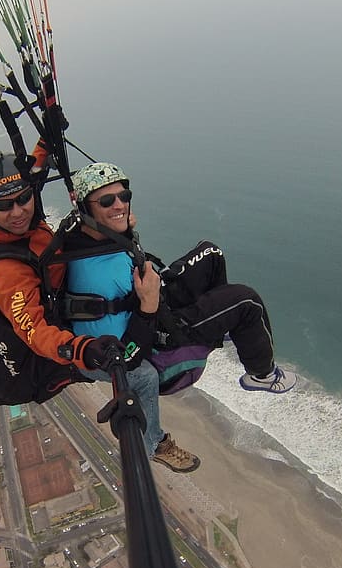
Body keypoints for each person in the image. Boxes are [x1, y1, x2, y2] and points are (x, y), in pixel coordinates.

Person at [63, 162, 297, 470]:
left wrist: (126, 230)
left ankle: (219, 324)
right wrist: (147, 303)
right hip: (156, 329)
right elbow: (132, 359)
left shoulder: (84, 234)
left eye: (123, 196)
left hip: (151, 296)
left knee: (210, 253)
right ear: (85, 207)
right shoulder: (102, 276)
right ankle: (262, 374)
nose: (119, 204)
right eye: (107, 201)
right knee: (246, 301)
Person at [0, 151, 117, 381]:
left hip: (61, 288)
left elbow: (34, 169)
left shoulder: (18, 224)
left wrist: (46, 140)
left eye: (24, 198)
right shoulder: (5, 270)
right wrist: (81, 350)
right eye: (4, 205)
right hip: (54, 345)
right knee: (144, 376)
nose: (18, 212)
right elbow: (33, 330)